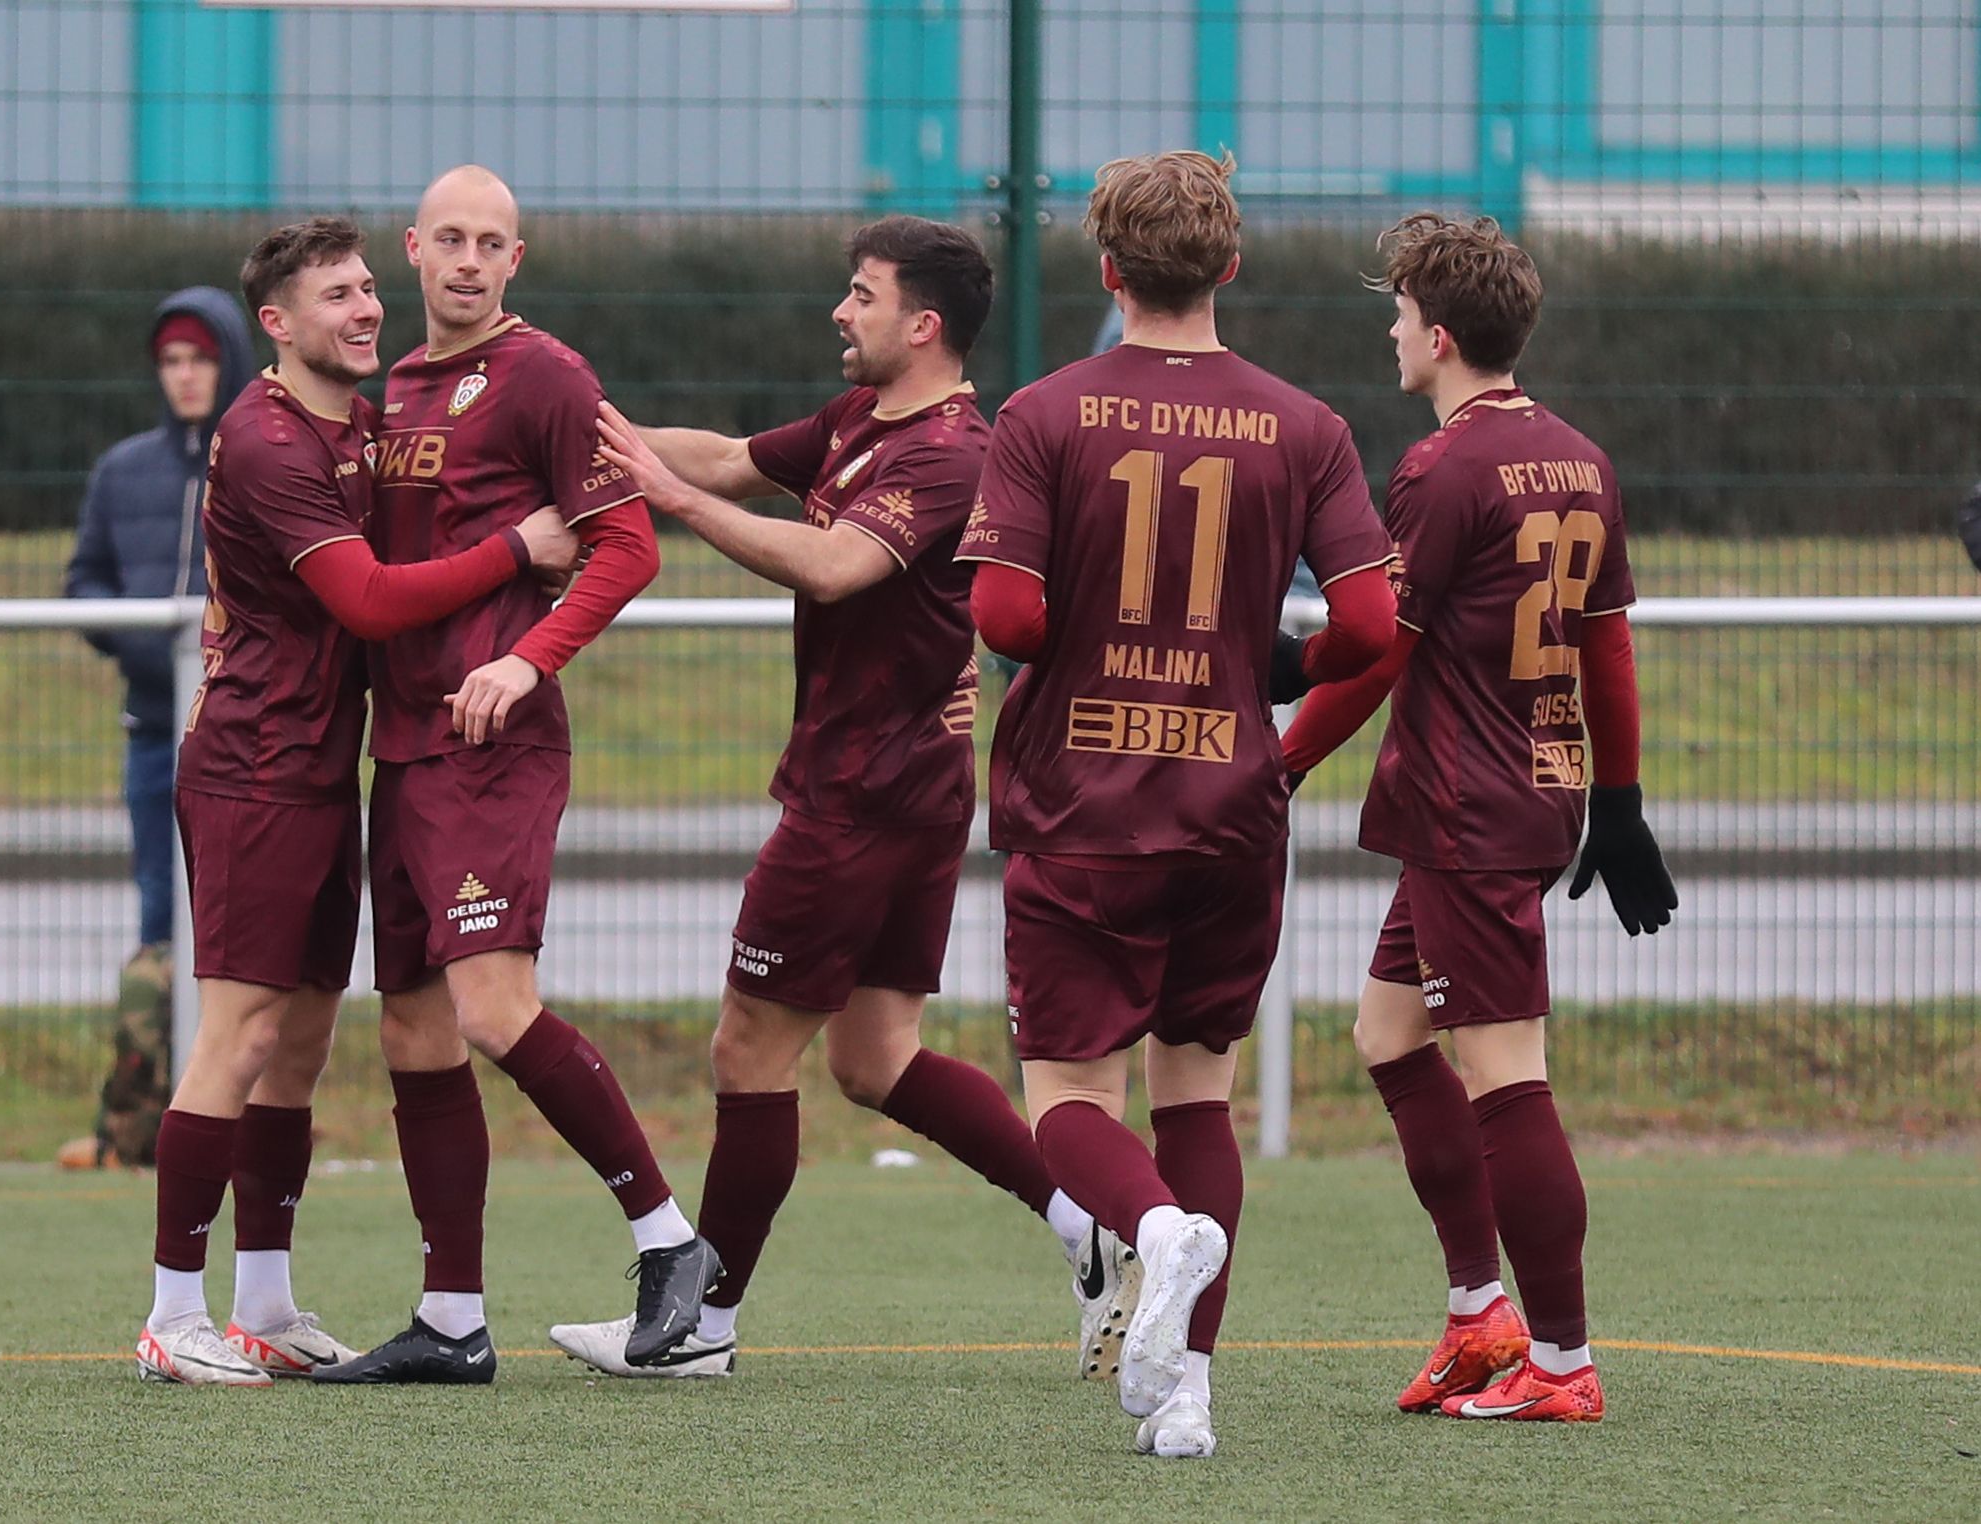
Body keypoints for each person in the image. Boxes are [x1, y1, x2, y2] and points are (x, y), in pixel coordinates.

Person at [545, 216, 1124, 1382]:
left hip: (859, 801)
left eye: (859, 295)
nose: (837, 312)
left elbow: (830, 564)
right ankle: (1088, 1226)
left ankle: (703, 1325)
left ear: (921, 325)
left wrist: (669, 501)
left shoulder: (951, 455)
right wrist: (573, 440)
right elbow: (721, 458)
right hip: (900, 793)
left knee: (747, 1052)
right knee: (874, 1056)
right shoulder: (865, 419)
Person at [961, 151, 1398, 1458]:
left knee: (1065, 1097)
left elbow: (1003, 616)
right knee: (1195, 1093)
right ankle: (1187, 1396)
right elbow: (1370, 624)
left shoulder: (1041, 413)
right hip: (1227, 797)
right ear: (1228, 266)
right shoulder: (1304, 424)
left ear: (1103, 272)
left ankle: (1150, 1237)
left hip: (1081, 797)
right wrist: (1271, 664)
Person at [136, 216, 583, 1386]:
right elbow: (374, 603)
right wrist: (516, 546)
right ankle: (169, 1314)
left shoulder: (367, 420)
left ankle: (263, 1305)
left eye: (367, 286)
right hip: (249, 769)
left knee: (299, 1048)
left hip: (326, 768)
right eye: (337, 295)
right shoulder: (268, 439)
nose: (368, 307)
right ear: (277, 325)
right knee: (237, 1037)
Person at [313, 167, 710, 1386]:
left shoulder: (546, 374)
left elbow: (628, 545)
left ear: (516, 259)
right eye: (451, 240)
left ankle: (670, 1242)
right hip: (406, 746)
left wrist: (531, 663)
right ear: (415, 251)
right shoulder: (401, 388)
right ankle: (450, 1320)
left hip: (494, 745)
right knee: (418, 1039)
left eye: (493, 242)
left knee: (490, 1010)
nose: (470, 260)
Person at [1281, 213, 1676, 1423]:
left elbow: (1379, 655)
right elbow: (1605, 649)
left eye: (1398, 313)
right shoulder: (1582, 459)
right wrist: (1615, 802)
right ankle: (1478, 1318)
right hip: (1528, 789)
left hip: (1470, 804)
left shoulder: (1441, 468)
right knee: (1389, 1035)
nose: (1390, 331)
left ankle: (1560, 1364)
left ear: (1439, 334)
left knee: (1507, 1075)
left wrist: (1279, 762)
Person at [59, 286, 254, 1171]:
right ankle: (139, 1129)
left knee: (243, 933)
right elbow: (86, 586)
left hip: (252, 742)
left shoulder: (263, 458)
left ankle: (238, 1120)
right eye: (171, 362)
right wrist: (162, 648)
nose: (185, 376)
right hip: (153, 735)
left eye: (200, 359)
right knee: (158, 919)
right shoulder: (122, 471)